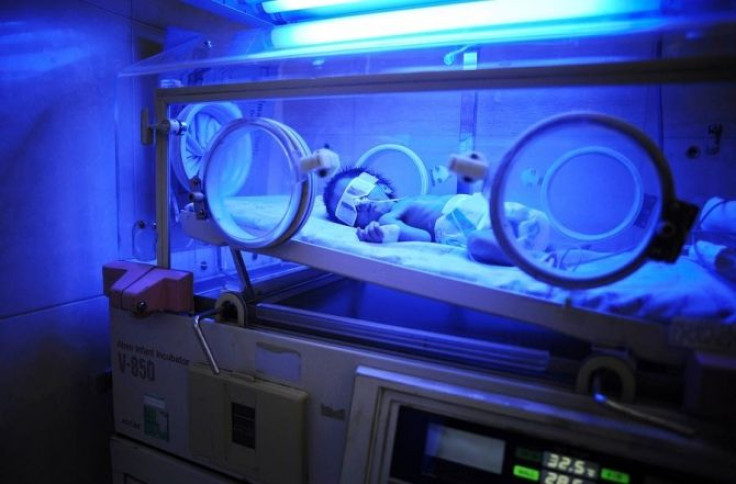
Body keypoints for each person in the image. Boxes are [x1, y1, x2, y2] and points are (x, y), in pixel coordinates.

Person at [323, 167, 550, 266]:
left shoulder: (404, 204)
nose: (360, 204)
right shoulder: (389, 218)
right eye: (348, 209)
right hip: (495, 229)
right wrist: (383, 234)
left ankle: (532, 252)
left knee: (481, 234)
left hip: (488, 215)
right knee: (477, 242)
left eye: (357, 190)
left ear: (381, 185)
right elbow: (423, 237)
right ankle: (540, 255)